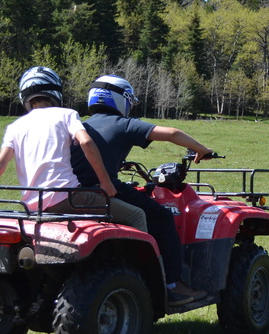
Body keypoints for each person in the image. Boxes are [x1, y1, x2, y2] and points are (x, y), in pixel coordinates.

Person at [70, 75, 212, 307]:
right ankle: (172, 286)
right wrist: (202, 149)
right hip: (105, 190)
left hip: (73, 192)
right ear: (121, 100)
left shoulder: (81, 126)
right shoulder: (123, 124)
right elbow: (173, 133)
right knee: (162, 217)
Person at [0, 66, 146, 231]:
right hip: (68, 198)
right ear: (55, 92)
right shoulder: (66, 115)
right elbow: (86, 142)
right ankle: (147, 264)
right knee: (137, 215)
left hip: (32, 204)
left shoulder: (16, 126)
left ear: (24, 96)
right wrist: (105, 182)